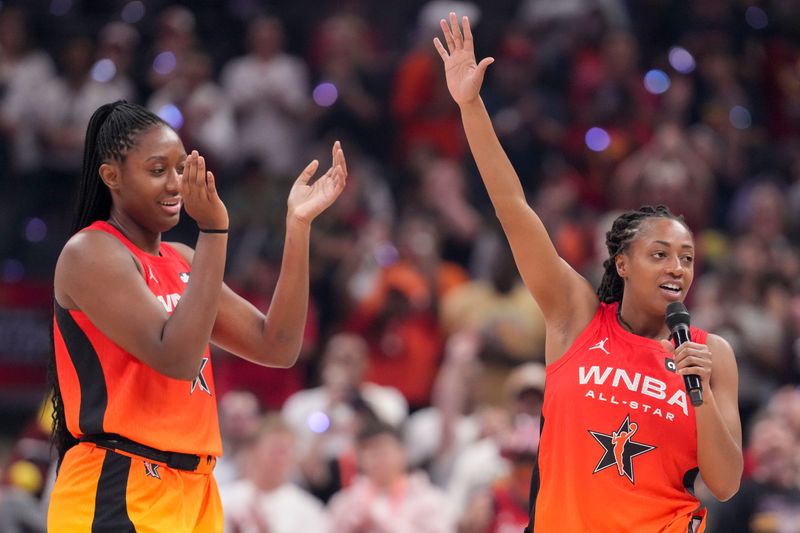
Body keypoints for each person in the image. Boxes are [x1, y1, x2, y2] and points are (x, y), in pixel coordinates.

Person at [434, 13, 742, 532]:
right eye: (660, 253)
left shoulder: (711, 354)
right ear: (622, 263)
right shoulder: (575, 316)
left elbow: (727, 480)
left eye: (687, 257)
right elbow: (514, 209)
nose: (678, 267)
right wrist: (471, 106)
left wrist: (701, 388)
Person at [46, 100, 347, 531]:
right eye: (156, 171)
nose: (175, 184)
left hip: (197, 488)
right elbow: (177, 358)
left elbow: (277, 346)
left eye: (181, 168)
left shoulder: (184, 260)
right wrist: (214, 232)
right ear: (112, 176)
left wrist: (298, 226)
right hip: (120, 482)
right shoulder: (90, 253)